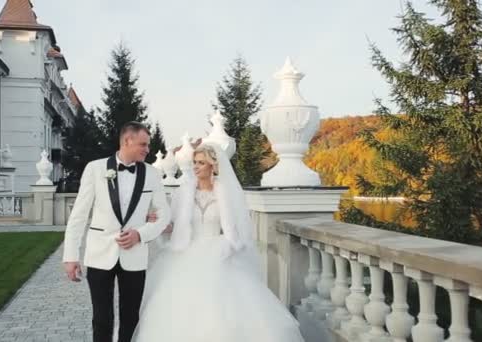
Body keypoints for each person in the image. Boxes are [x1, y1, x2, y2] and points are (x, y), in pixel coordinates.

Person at [134, 143, 305, 342]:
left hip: (220, 251)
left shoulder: (226, 191)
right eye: (194, 163)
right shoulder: (184, 191)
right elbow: (173, 224)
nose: (196, 167)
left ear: (212, 166)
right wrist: (156, 222)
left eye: (201, 163)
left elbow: (239, 227)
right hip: (187, 252)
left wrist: (230, 246)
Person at [62, 121, 170, 342]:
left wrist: (141, 234)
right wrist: (70, 256)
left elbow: (164, 214)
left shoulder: (152, 174)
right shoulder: (95, 168)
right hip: (99, 253)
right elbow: (79, 215)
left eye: (147, 145)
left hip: (135, 255)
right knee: (102, 318)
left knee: (131, 318)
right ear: (127, 140)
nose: (147, 149)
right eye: (143, 144)